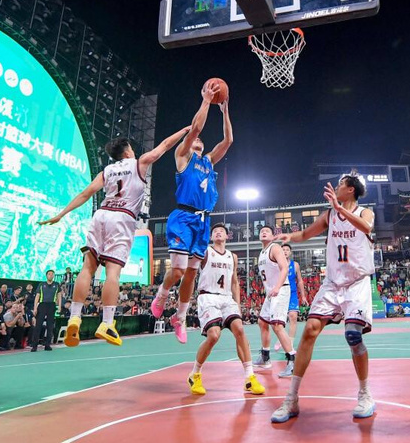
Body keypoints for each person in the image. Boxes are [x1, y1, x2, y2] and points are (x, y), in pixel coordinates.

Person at [40, 124, 192, 347]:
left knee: (87, 268)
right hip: (122, 218)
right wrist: (185, 130)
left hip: (101, 214)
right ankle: (107, 323)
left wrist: (61, 214)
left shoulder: (107, 171)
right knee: (112, 273)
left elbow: (85, 194)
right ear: (128, 150)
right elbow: (165, 145)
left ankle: (74, 318)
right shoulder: (138, 163)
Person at [270, 172, 377, 423]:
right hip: (332, 283)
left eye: (341, 184)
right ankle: (292, 398)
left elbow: (367, 227)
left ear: (351, 190)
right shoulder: (329, 215)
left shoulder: (365, 212)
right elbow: (306, 234)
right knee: (309, 330)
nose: (336, 187)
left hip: (357, 282)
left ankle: (365, 394)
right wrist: (290, 237)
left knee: (353, 336)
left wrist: (340, 208)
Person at [152, 83, 232, 345]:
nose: (197, 139)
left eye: (200, 141)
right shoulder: (183, 156)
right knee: (177, 270)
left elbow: (228, 141)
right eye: (194, 139)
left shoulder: (208, 162)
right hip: (183, 217)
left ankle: (180, 317)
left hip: (203, 221)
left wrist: (225, 111)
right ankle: (162, 294)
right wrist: (206, 101)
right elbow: (195, 128)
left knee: (190, 274)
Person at [187, 223, 265, 396]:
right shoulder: (205, 252)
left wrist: (237, 304)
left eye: (221, 231)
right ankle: (195, 374)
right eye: (215, 231)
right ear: (211, 236)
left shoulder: (232, 256)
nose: (218, 232)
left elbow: (234, 282)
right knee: (214, 336)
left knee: (239, 330)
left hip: (227, 298)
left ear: (227, 236)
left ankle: (249, 378)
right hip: (208, 296)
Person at [251, 226, 297, 377]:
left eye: (267, 231)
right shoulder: (262, 252)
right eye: (261, 231)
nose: (264, 232)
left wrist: (277, 287)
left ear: (272, 236)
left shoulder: (275, 248)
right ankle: (265, 357)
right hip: (272, 292)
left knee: (277, 326)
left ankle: (292, 361)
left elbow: (284, 269)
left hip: (280, 289)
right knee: (262, 322)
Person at [278, 244, 308, 352]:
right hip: (280, 293)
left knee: (293, 317)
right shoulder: (276, 264)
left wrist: (303, 296)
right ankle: (282, 338)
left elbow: (299, 281)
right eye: (283, 250)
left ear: (290, 252)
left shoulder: (295, 265)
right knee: (279, 320)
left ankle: (290, 344)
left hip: (292, 294)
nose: (285, 251)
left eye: (287, 250)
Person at [29, 271, 62, 351]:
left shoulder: (56, 285)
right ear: (46, 275)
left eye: (52, 274)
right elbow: (37, 296)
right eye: (49, 274)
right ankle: (34, 345)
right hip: (42, 305)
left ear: (53, 276)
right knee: (38, 325)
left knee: (50, 326)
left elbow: (59, 296)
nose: (51, 275)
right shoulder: (41, 284)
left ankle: (47, 345)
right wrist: (35, 308)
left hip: (52, 305)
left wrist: (59, 306)